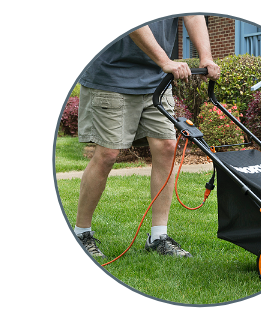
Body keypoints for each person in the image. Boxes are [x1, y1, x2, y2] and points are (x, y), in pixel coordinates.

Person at [75, 16, 220, 258]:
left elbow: (192, 15)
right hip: (112, 76)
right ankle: (82, 232)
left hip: (157, 79)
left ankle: (158, 236)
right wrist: (165, 61)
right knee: (107, 154)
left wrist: (205, 57)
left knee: (167, 148)